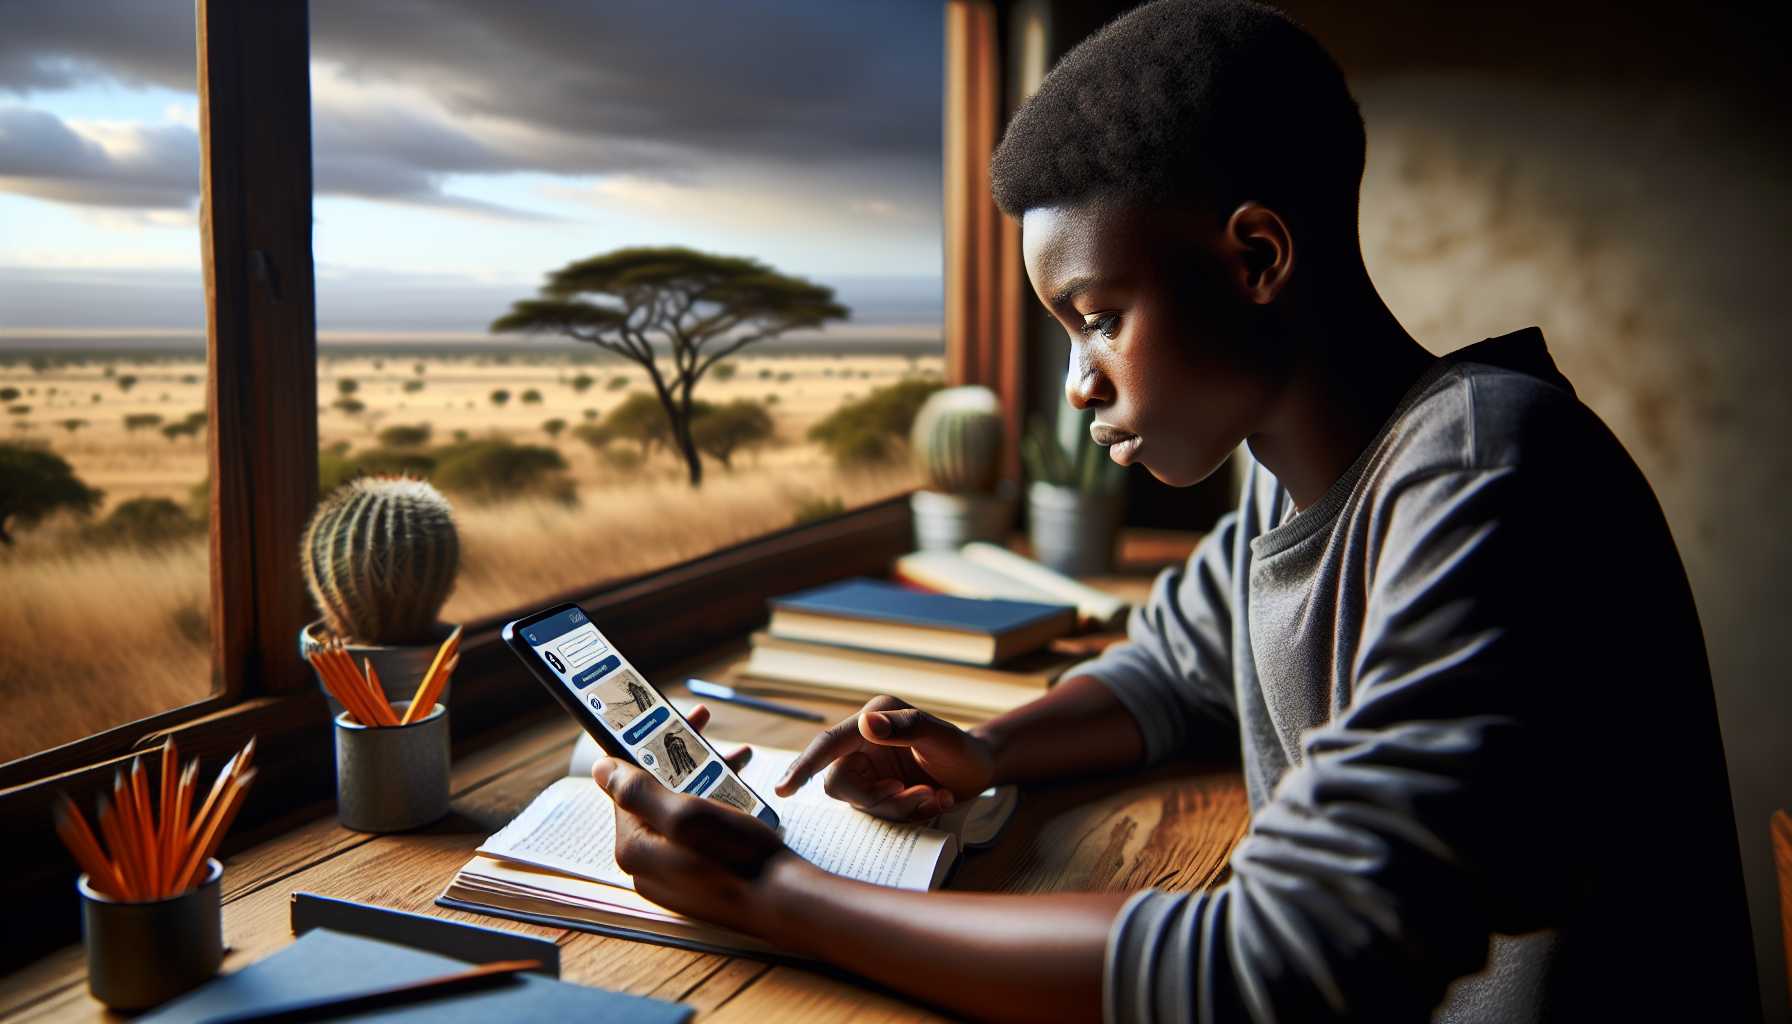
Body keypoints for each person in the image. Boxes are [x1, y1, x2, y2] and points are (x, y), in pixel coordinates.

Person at [588, 1, 1759, 1019]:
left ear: (1255, 257)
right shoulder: (1287, 477)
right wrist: (986, 751)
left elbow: (1279, 963)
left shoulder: (1485, 474)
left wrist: (780, 897)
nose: (1077, 381)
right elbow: (1174, 675)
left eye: (1097, 315)